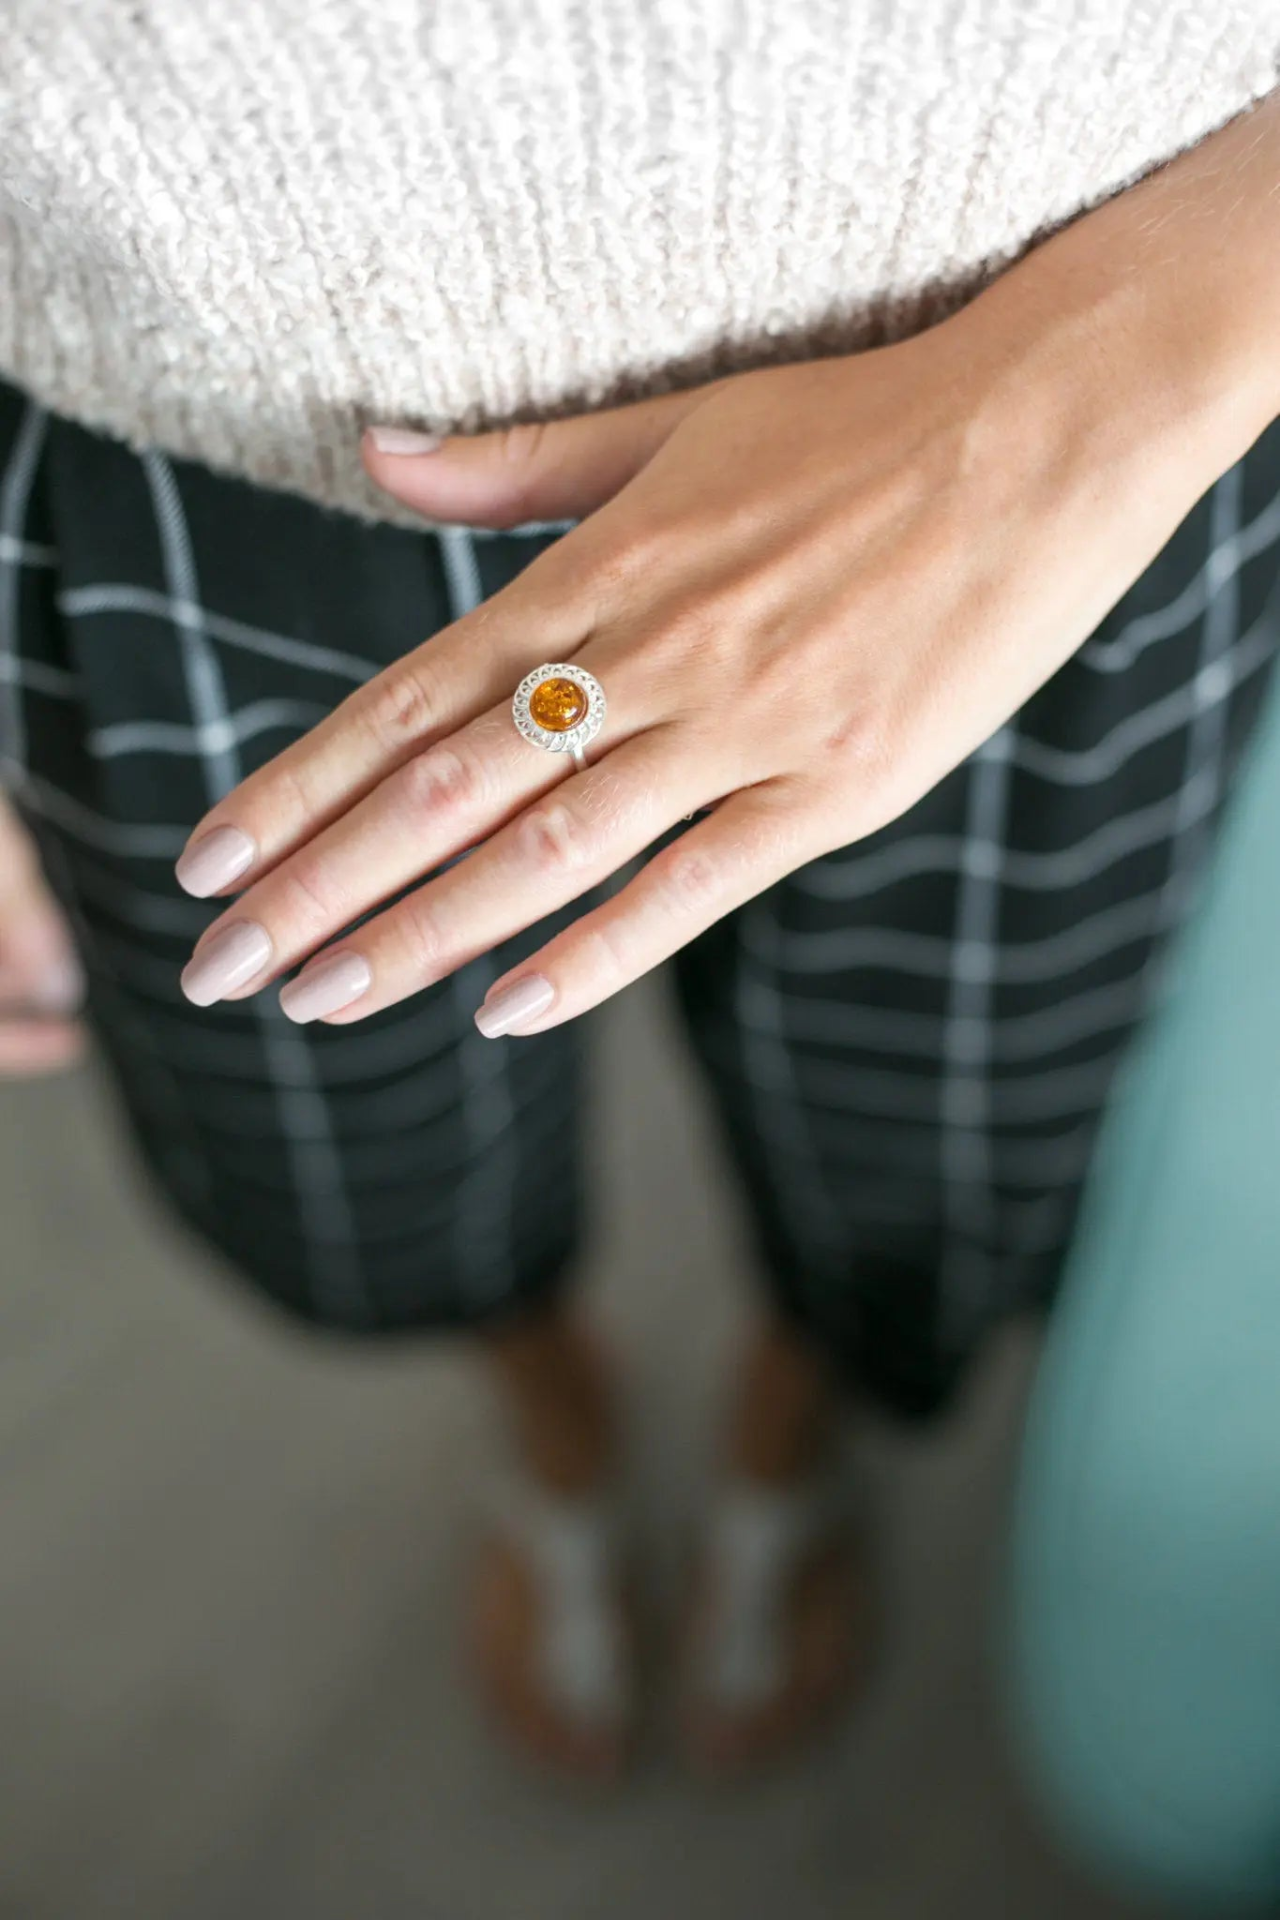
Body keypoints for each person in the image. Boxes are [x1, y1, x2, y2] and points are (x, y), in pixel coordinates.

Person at [3, 2, 1279, 1781]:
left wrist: (1152, 345)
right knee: (359, 1174)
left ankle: (800, 1388)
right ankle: (545, 1396)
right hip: (195, 427)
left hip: (1063, 419)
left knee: (941, 1134)